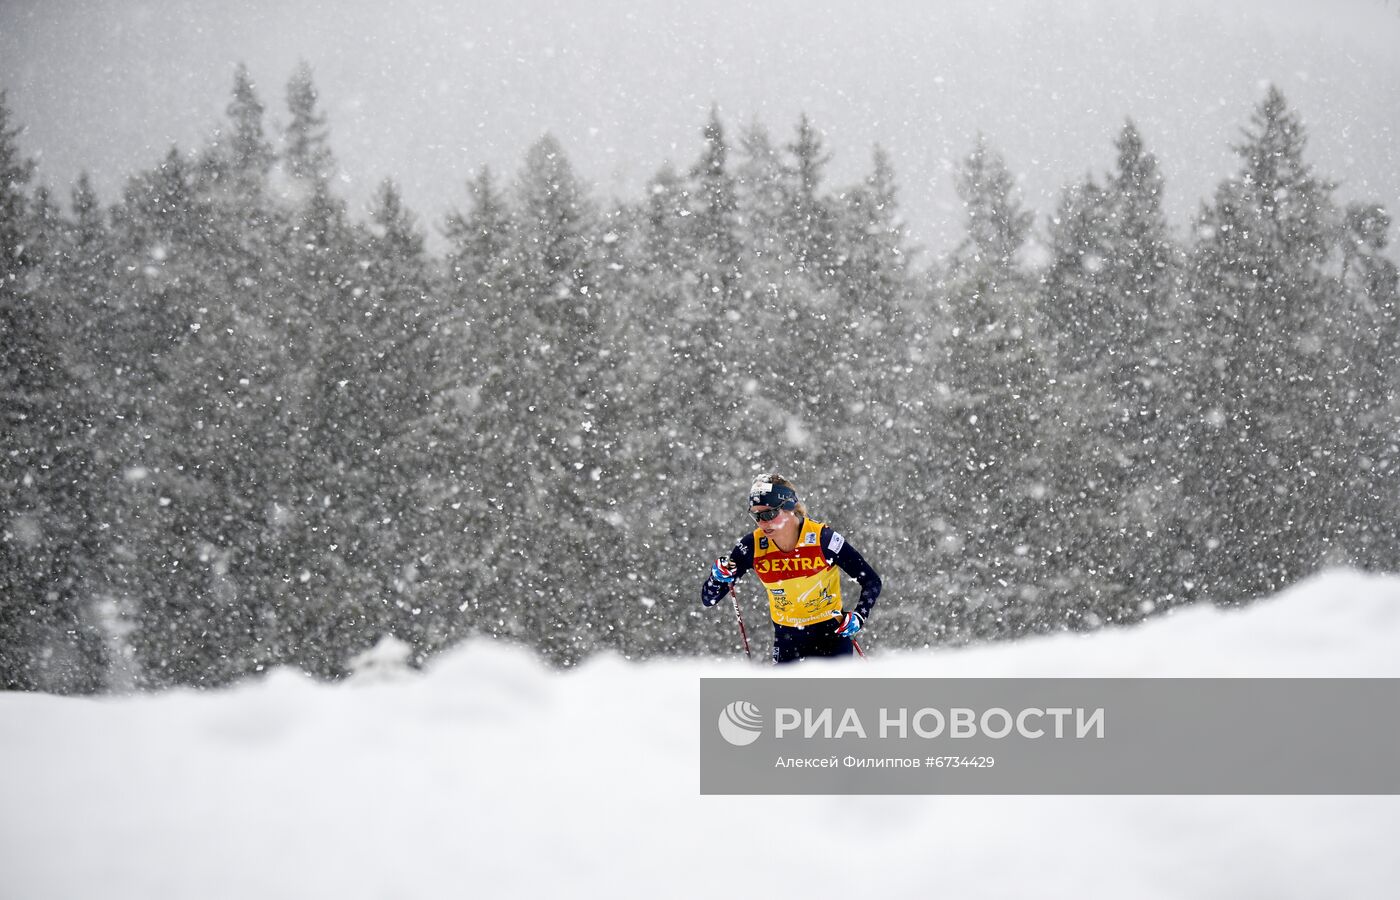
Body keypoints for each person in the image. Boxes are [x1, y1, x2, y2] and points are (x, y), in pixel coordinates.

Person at [700, 474, 882, 664]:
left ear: (789, 508)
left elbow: (871, 581)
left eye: (769, 514)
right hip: (787, 640)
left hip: (831, 637)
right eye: (756, 516)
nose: (763, 523)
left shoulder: (823, 538)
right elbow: (709, 599)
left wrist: (859, 615)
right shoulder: (752, 545)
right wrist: (717, 577)